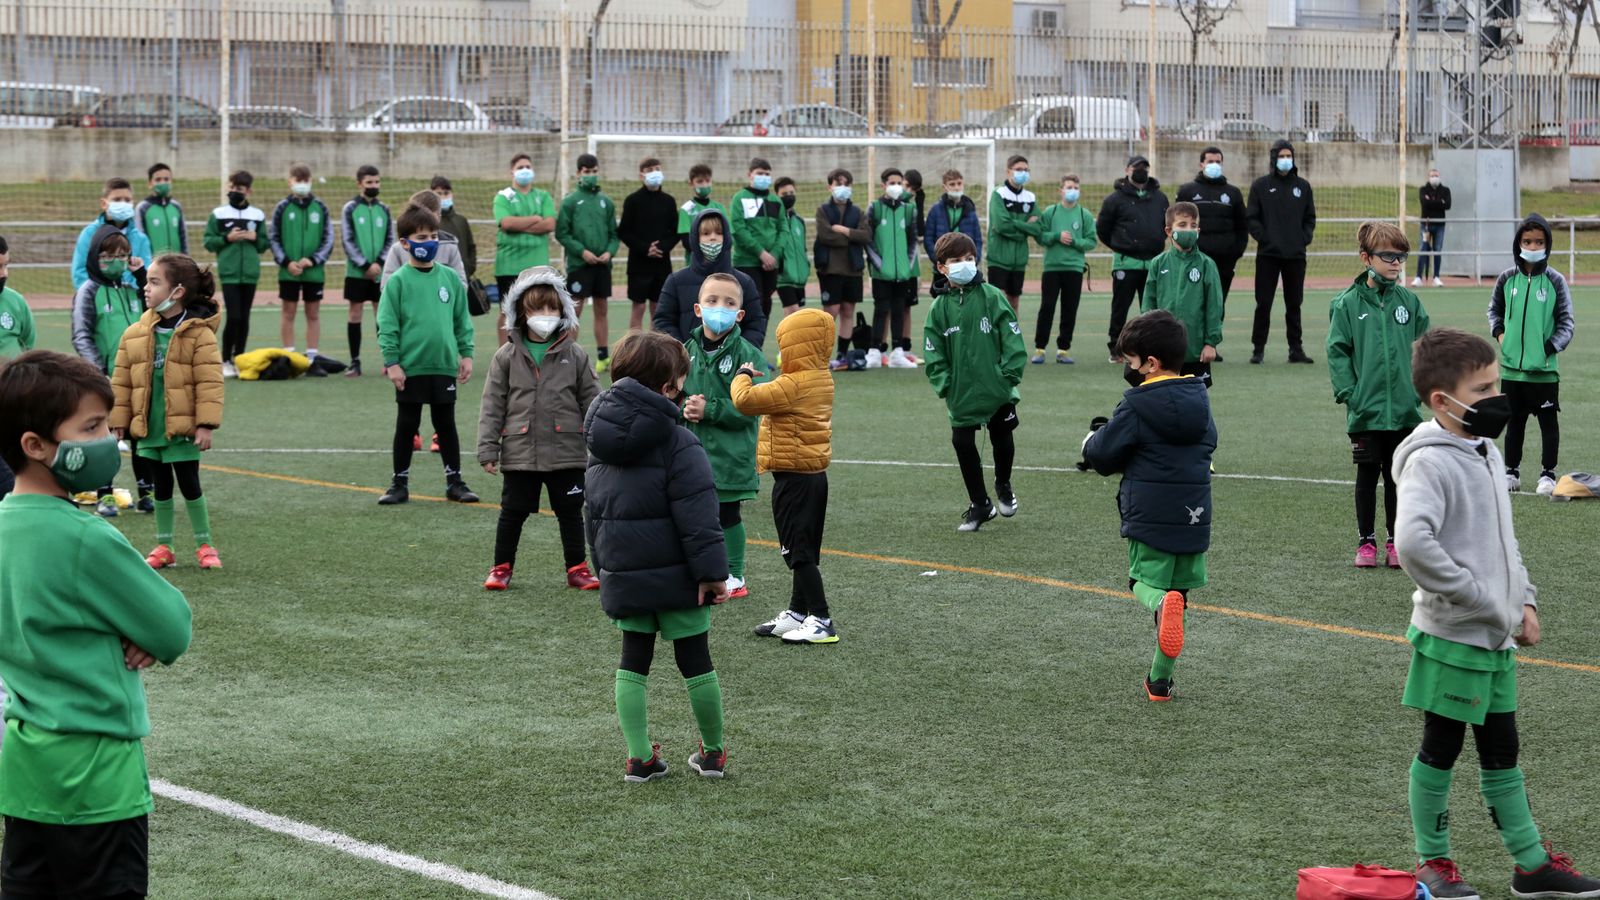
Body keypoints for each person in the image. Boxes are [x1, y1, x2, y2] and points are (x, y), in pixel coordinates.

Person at [1394, 327, 1600, 900]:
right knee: (1441, 746)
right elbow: (1412, 543)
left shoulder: (1482, 449)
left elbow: (1501, 542)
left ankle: (1531, 865)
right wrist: (1487, 603)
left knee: (1502, 748)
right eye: (1484, 388)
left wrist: (1523, 598)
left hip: (1496, 637)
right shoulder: (1430, 462)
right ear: (1443, 401)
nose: (1499, 396)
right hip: (1455, 636)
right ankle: (1431, 863)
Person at [0, 349, 193, 900]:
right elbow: (172, 625)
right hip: (99, 780)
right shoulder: (85, 535)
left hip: (24, 775)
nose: (110, 439)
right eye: (91, 428)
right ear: (35, 446)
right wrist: (138, 634)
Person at [583, 331, 731, 782]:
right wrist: (712, 574)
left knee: (633, 661)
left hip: (624, 573)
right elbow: (700, 516)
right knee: (696, 660)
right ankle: (712, 754)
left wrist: (603, 570)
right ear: (670, 386)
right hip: (679, 577)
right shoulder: (679, 441)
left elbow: (592, 512)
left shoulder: (598, 439)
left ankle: (639, 758)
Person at [1082, 310, 1217, 702]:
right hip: (1194, 516)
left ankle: (1159, 601)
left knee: (1144, 584)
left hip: (1150, 515)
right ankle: (1160, 681)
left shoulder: (1137, 405)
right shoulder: (1201, 399)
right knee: (1181, 596)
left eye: (1131, 361)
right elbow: (1208, 444)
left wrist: (1090, 440)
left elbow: (1104, 456)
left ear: (1151, 364)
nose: (1129, 368)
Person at [477, 266, 600, 592]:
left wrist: (602, 443)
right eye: (536, 308)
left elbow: (594, 401)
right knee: (512, 512)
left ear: (563, 309)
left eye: (551, 307)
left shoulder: (575, 355)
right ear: (520, 311)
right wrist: (488, 448)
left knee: (571, 513)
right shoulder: (505, 356)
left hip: (567, 451)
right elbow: (492, 404)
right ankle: (501, 567)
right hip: (520, 452)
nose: (545, 315)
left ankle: (577, 568)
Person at [110, 253, 226, 570]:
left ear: (177, 292)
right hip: (150, 426)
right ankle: (165, 545)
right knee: (160, 486)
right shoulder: (134, 333)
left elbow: (209, 382)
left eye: (154, 282)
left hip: (183, 427)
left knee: (189, 484)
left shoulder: (199, 334)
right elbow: (121, 381)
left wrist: (205, 425)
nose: (146, 288)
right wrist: (119, 422)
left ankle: (205, 545)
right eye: (147, 281)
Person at [1326, 222, 1430, 569]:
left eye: (1400, 257)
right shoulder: (1346, 305)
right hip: (1365, 410)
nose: (1396, 263)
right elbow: (1337, 351)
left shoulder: (1410, 304)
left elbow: (1424, 349)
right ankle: (1366, 541)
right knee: (1368, 475)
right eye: (1388, 256)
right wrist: (1350, 394)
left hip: (1403, 411)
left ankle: (1395, 541)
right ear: (1366, 258)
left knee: (1398, 477)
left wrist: (1419, 390)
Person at [731, 308, 837, 644]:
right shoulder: (820, 377)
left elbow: (745, 401)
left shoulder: (794, 383)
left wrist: (743, 374)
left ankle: (820, 618)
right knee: (804, 546)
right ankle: (797, 612)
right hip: (813, 477)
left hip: (794, 480)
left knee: (797, 552)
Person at [375, 206, 477, 506]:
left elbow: (462, 320)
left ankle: (455, 481)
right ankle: (399, 484)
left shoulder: (449, 279)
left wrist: (466, 354)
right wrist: (392, 362)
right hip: (410, 367)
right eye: (422, 237)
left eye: (433, 236)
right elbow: (387, 325)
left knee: (446, 423)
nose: (429, 241)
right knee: (407, 424)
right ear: (405, 243)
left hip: (444, 365)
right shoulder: (397, 282)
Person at [923, 232, 1025, 532]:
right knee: (962, 442)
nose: (964, 265)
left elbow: (1012, 337)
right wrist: (946, 384)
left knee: (1002, 435)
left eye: (969, 259)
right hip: (961, 391)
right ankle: (980, 503)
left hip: (997, 387)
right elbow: (933, 352)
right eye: (956, 260)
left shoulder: (992, 296)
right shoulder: (938, 309)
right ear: (942, 267)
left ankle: (1003, 484)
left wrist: (1007, 376)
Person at [681, 272, 766, 600]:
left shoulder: (750, 356)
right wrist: (683, 409)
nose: (720, 308)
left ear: (740, 314)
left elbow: (756, 404)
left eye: (729, 303)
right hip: (690, 454)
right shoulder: (684, 351)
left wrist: (711, 410)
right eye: (712, 301)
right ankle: (699, 569)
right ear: (698, 309)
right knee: (694, 515)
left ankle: (735, 574)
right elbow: (670, 394)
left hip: (731, 455)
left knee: (727, 514)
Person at [70, 227, 154, 517]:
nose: (116, 261)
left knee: (139, 435)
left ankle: (147, 492)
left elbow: (156, 310)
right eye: (108, 256)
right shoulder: (89, 291)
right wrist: (99, 373)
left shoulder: (133, 291)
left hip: (139, 378)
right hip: (105, 379)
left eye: (122, 255)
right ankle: (104, 495)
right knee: (106, 437)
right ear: (95, 257)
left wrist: (142, 274)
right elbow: (82, 335)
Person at [1488, 214, 1574, 497]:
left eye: (1539, 241)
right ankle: (1511, 471)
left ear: (1547, 244)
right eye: (1527, 241)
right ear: (1518, 244)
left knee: (1549, 425)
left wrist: (1547, 348)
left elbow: (1566, 322)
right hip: (1512, 371)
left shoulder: (1555, 281)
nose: (1533, 246)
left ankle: (1547, 474)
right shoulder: (1506, 279)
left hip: (1544, 371)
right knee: (1515, 423)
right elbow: (1494, 311)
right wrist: (1502, 337)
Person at [1247, 139, 1317, 365]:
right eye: (1281, 156)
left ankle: (1295, 349)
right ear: (1273, 158)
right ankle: (1258, 349)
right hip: (1268, 256)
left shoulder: (1303, 187)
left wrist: (1303, 238)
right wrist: (1265, 239)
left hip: (1295, 256)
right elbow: (1252, 218)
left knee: (1294, 304)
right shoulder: (1260, 186)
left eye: (1289, 156)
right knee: (1264, 303)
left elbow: (1310, 218)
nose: (1285, 160)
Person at [653, 210, 767, 348]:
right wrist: (682, 352)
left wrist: (740, 353)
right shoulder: (675, 281)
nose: (713, 238)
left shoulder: (744, 282)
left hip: (733, 365)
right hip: (686, 364)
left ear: (726, 238)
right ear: (696, 238)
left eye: (719, 233)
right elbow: (663, 322)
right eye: (706, 233)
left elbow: (756, 324)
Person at [1141, 201, 1223, 389]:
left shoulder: (1206, 265)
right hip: (1163, 349)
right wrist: (1147, 338)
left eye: (1193, 226)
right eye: (1182, 225)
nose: (1189, 230)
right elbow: (1148, 304)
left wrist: (1211, 342)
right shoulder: (1158, 263)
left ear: (1199, 230)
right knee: (1162, 397)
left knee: (1195, 399)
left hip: (1195, 350)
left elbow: (1214, 306)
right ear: (1169, 231)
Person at [1176, 147, 1247, 361]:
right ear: (1201, 164)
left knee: (1217, 304)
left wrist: (1235, 252)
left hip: (1224, 261)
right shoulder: (1188, 191)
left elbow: (1242, 227)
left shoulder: (1232, 193)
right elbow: (1177, 223)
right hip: (1194, 260)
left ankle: (1210, 346)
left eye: (1218, 161)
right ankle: (1184, 345)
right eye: (1210, 161)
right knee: (1191, 302)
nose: (1214, 164)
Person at [1096, 155, 1169, 364]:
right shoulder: (1114, 199)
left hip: (1153, 263)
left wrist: (1154, 243)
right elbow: (1103, 229)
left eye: (1145, 167)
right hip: (1126, 263)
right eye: (1137, 167)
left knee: (1153, 309)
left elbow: (1166, 224)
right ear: (1127, 170)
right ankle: (1116, 349)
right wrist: (1121, 245)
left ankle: (1152, 347)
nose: (1142, 171)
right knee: (1120, 307)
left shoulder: (1160, 198)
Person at [203, 169, 271, 378]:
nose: (234, 191)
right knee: (234, 316)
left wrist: (254, 237)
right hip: (229, 272)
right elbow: (208, 242)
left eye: (239, 188)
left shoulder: (257, 215)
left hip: (249, 273)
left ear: (248, 191)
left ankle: (240, 358)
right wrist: (227, 238)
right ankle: (225, 360)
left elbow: (264, 244)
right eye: (232, 187)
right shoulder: (218, 214)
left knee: (245, 318)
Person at [556, 153, 620, 373]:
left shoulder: (606, 202)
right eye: (586, 171)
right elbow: (562, 233)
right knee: (575, 309)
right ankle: (567, 354)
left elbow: (614, 234)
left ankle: (603, 357)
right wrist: (581, 252)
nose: (591, 175)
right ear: (578, 173)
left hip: (602, 266)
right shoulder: (570, 202)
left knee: (601, 309)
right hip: (579, 265)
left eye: (594, 171)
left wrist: (609, 253)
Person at [269, 163, 333, 359]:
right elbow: (274, 237)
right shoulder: (282, 207)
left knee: (312, 314)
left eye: (306, 181)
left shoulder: (320, 207)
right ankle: (289, 355)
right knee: (288, 313)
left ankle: (312, 356)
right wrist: (287, 262)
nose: (302, 185)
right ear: (290, 182)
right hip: (289, 271)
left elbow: (328, 238)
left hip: (314, 272)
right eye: (298, 181)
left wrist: (313, 260)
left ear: (311, 182)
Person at [494, 153, 558, 347]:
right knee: (507, 312)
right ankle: (505, 352)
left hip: (538, 266)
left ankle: (534, 351)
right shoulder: (503, 196)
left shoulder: (542, 196)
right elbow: (506, 222)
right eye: (520, 167)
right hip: (509, 266)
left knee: (538, 311)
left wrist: (521, 224)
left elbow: (549, 224)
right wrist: (535, 219)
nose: (525, 170)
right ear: (511, 171)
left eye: (528, 167)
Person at [1031, 173, 1097, 364]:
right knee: (1047, 307)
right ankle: (1040, 348)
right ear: (1060, 190)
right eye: (1069, 187)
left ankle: (1064, 349)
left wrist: (1075, 241)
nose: (1072, 191)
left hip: (1075, 268)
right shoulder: (1050, 212)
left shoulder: (1084, 215)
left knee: (1069, 309)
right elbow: (1040, 235)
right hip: (1052, 268)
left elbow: (1091, 241)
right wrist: (1056, 236)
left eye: (1076, 188)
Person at [814, 168, 871, 369]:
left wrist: (845, 230)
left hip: (853, 269)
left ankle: (842, 355)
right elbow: (825, 236)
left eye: (846, 184)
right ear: (830, 186)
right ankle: (821, 355)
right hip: (830, 269)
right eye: (838, 184)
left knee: (848, 310)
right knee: (830, 312)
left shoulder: (858, 212)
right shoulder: (823, 210)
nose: (843, 188)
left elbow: (865, 236)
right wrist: (851, 237)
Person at [340, 164, 394, 378]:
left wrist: (379, 263)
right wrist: (364, 264)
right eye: (369, 182)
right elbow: (347, 239)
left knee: (382, 315)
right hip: (357, 272)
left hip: (380, 271)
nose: (374, 186)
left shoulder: (384, 209)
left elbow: (390, 238)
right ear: (359, 184)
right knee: (355, 313)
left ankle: (388, 361)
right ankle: (355, 362)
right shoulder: (350, 208)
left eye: (377, 182)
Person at [618, 156, 678, 332]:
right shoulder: (632, 200)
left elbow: (675, 232)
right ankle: (634, 352)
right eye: (649, 170)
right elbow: (624, 231)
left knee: (658, 310)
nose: (654, 173)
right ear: (641, 175)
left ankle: (655, 354)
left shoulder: (669, 201)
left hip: (662, 263)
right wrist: (645, 248)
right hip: (639, 264)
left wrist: (662, 248)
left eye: (657, 169)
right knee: (638, 308)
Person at [867, 167, 920, 368]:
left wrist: (907, 264)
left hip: (902, 272)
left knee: (899, 308)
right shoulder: (875, 208)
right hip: (882, 272)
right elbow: (868, 240)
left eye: (899, 183)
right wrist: (879, 264)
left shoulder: (909, 209)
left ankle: (898, 352)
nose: (896, 186)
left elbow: (913, 240)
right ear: (883, 185)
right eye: (892, 183)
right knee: (881, 309)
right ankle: (874, 351)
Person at [70, 177, 152, 292]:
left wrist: (131, 294)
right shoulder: (89, 234)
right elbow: (79, 273)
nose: (123, 204)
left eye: (127, 200)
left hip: (131, 302)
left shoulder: (141, 239)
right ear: (104, 204)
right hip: (100, 300)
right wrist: (96, 295)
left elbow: (146, 272)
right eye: (117, 200)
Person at [0, 235, 34, 499]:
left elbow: (28, 348)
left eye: (6, 266)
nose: (3, 274)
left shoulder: (16, 302)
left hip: (12, 405)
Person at [986, 155, 1042, 313]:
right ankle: (995, 336)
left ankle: (1012, 335)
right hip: (999, 258)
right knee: (997, 302)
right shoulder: (998, 194)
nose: (1022, 173)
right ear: (1008, 172)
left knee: (1014, 302)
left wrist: (1015, 224)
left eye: (1026, 170)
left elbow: (1038, 227)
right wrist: (1025, 228)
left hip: (1019, 260)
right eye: (1018, 170)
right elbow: (1001, 225)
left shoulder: (1030, 197)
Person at [730, 157, 784, 320]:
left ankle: (757, 342)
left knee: (765, 304)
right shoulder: (739, 198)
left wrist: (773, 254)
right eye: (760, 173)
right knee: (750, 304)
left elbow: (784, 230)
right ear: (750, 175)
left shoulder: (776, 201)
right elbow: (738, 229)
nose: (764, 177)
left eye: (767, 174)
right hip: (746, 262)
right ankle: (742, 342)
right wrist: (761, 253)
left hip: (771, 264)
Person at [924, 169, 983, 298]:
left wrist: (973, 261)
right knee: (941, 304)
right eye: (952, 184)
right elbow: (928, 238)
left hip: (966, 270)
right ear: (944, 187)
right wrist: (939, 260)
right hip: (943, 269)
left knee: (969, 303)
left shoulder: (970, 210)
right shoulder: (935, 210)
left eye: (959, 183)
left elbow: (977, 240)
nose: (956, 187)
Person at [773, 177, 811, 318]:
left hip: (799, 277)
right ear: (777, 195)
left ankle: (786, 340)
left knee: (793, 315)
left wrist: (806, 267)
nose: (789, 197)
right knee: (794, 314)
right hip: (783, 277)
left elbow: (803, 248)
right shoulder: (775, 220)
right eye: (784, 194)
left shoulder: (799, 221)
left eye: (791, 192)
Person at [431, 175, 477, 284]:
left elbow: (471, 247)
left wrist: (469, 267)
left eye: (446, 193)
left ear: (452, 194)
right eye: (439, 193)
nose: (443, 197)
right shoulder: (429, 222)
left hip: (462, 277)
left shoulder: (461, 221)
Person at [136, 162, 187, 257]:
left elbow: (183, 236)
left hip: (177, 263)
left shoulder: (176, 206)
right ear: (150, 183)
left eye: (166, 179)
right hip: (155, 265)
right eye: (158, 180)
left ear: (171, 182)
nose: (163, 182)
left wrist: (186, 258)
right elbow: (140, 238)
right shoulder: (143, 208)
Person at [676, 163, 727, 256]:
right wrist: (705, 253)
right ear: (691, 184)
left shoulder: (719, 208)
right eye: (700, 181)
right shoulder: (686, 209)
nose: (704, 185)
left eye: (707, 181)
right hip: (695, 262)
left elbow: (728, 236)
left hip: (719, 261)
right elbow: (686, 241)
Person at [1414, 169, 1451, 288]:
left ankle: (1436, 277)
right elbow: (1424, 204)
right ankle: (1418, 277)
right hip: (1426, 225)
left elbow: (1448, 205)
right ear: (1428, 177)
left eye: (1436, 175)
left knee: (1437, 250)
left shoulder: (1445, 190)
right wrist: (1439, 203)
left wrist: (1432, 202)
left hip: (1440, 225)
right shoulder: (1423, 189)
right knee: (1423, 249)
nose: (1434, 177)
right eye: (1432, 175)